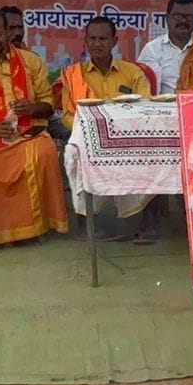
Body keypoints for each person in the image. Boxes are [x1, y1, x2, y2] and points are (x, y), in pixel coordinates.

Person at [0, 8, 68, 246]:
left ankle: (36, 227)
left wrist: (33, 109)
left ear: (8, 31)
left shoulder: (31, 61)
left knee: (44, 153)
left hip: (30, 132)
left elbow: (49, 102)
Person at [61, 16, 162, 243]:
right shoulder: (74, 74)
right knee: (73, 153)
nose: (97, 44)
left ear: (114, 41)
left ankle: (149, 225)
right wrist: (92, 131)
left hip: (128, 139)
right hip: (90, 141)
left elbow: (145, 109)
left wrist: (120, 131)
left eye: (103, 39)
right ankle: (85, 224)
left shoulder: (133, 73)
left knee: (153, 156)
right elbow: (68, 115)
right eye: (92, 39)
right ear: (86, 41)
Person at [138, 0, 193, 95]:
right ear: (167, 18)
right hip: (164, 104)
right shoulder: (153, 49)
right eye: (178, 15)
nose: (183, 20)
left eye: (189, 16)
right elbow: (143, 86)